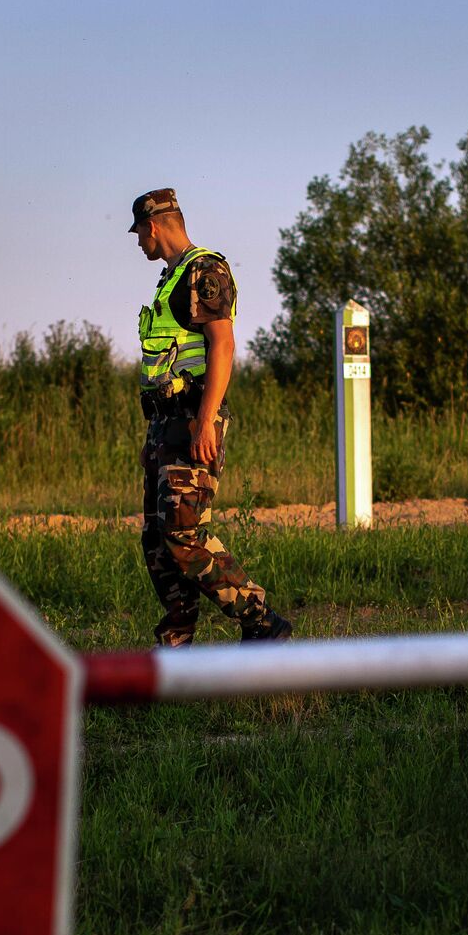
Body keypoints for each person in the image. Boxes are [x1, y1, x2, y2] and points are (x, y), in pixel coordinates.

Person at [127, 188, 292, 646]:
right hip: (166, 424)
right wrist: (154, 436)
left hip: (194, 418)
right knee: (158, 541)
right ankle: (175, 642)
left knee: (184, 534)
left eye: (139, 232)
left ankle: (261, 619)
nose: (138, 242)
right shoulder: (170, 278)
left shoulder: (205, 270)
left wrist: (206, 420)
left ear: (153, 225)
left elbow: (223, 344)